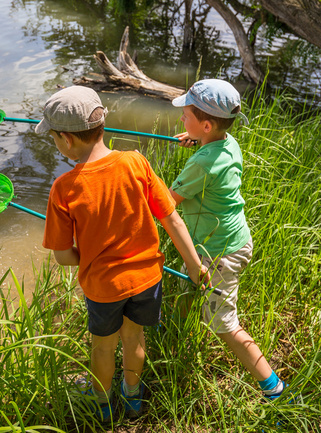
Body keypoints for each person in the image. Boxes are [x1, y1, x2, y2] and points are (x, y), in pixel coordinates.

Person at [36, 86, 208, 421]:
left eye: (55, 139)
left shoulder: (64, 188)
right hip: (147, 280)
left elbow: (62, 256)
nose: (57, 145)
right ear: (101, 126)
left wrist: (89, 258)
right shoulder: (136, 162)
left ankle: (101, 405)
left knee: (103, 346)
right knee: (135, 338)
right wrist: (193, 263)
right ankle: (132, 398)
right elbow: (171, 217)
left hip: (104, 288)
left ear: (67, 141)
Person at [169, 79, 287, 401]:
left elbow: (166, 202)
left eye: (187, 116)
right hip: (227, 241)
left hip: (220, 252)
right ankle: (174, 334)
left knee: (225, 325)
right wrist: (197, 141)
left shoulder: (202, 163)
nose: (181, 119)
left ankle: (273, 387)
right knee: (189, 291)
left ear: (206, 124)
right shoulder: (226, 142)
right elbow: (213, 151)